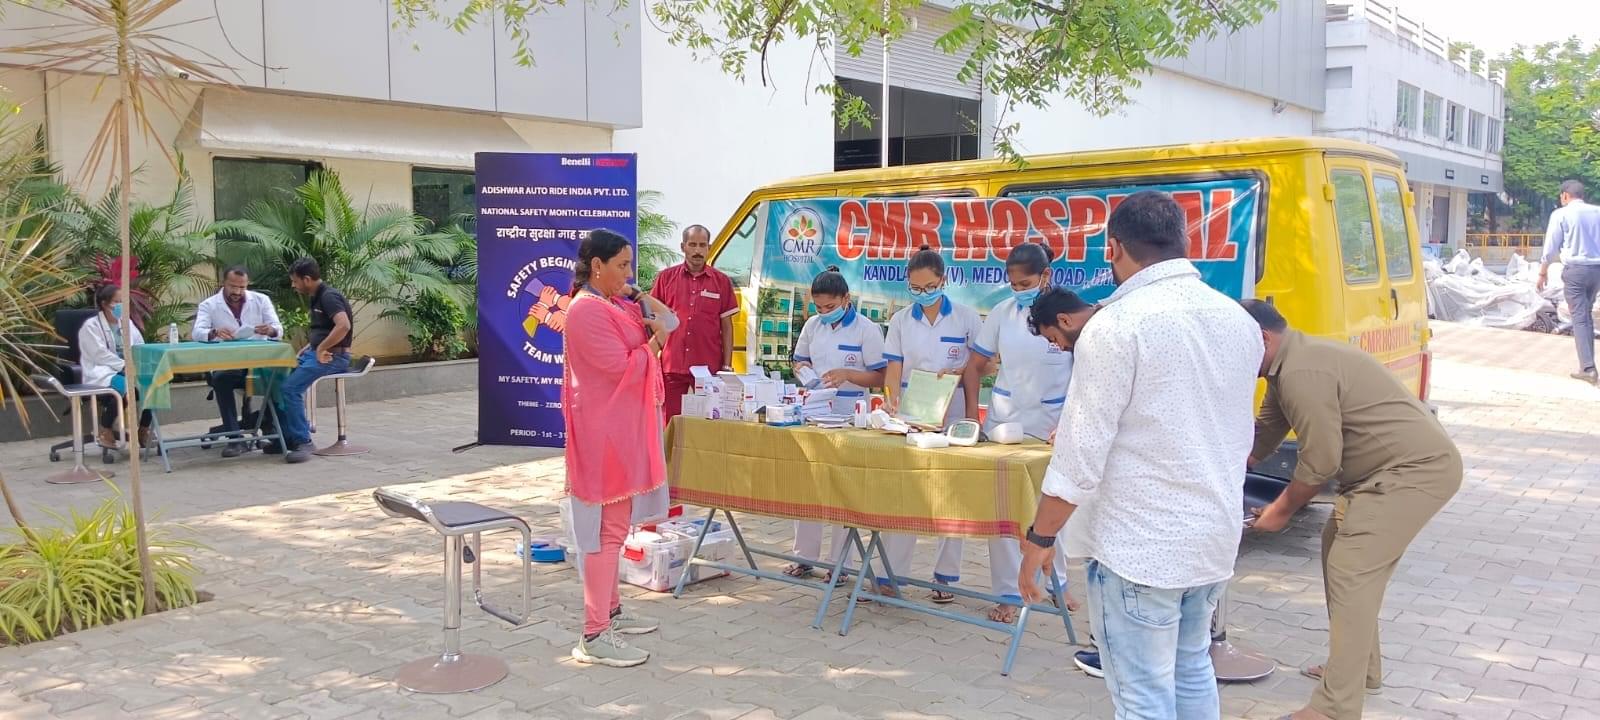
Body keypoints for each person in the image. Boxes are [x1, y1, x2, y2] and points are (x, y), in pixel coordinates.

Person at [1016, 191, 1262, 720]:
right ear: (1182, 243)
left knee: (1143, 696)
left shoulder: (1117, 326)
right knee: (1192, 668)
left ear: (1115, 247)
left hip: (1139, 547)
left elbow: (1080, 456)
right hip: (1211, 537)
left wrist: (1041, 538)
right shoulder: (1237, 320)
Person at [1243, 300, 1462, 720]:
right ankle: (1360, 672)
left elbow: (1321, 460)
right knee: (1340, 559)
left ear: (1262, 339)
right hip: (1389, 474)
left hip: (1411, 474)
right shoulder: (1290, 365)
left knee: (1350, 570)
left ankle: (1335, 707)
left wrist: (1281, 510)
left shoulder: (1303, 372)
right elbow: (1266, 431)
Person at [562, 228, 671, 668]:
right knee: (606, 534)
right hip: (603, 433)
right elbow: (618, 367)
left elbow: (673, 320)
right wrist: (655, 344)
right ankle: (594, 632)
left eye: (632, 265)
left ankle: (611, 613)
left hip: (618, 430)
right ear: (597, 266)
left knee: (616, 528)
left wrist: (641, 295)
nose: (629, 273)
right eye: (622, 265)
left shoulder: (614, 303)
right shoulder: (586, 311)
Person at [959, 243, 1075, 623]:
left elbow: (1088, 375)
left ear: (1046, 276)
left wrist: (1072, 421)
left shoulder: (1070, 313)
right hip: (1005, 423)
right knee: (1006, 512)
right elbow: (974, 366)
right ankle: (1009, 593)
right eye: (1012, 283)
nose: (1017, 289)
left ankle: (1056, 583)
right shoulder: (1002, 314)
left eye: (1025, 282)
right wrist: (972, 416)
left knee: (1054, 507)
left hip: (1052, 425)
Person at [879, 246, 983, 602]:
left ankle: (945, 577)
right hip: (912, 416)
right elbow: (893, 367)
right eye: (916, 288)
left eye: (929, 286)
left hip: (951, 416)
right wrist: (890, 401)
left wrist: (971, 417)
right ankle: (891, 575)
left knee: (950, 496)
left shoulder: (967, 319)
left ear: (944, 280)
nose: (923, 294)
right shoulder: (902, 321)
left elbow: (978, 371)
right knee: (903, 495)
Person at [783, 267, 887, 580]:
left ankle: (841, 564)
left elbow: (881, 376)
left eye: (831, 307)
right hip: (816, 411)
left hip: (850, 414)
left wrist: (848, 374)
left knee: (843, 487)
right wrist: (804, 373)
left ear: (846, 298)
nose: (825, 313)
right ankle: (804, 557)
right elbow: (799, 360)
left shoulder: (866, 330)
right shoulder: (813, 326)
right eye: (819, 307)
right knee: (809, 484)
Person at [192, 266, 283, 458]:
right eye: (233, 287)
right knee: (220, 379)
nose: (237, 292)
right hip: (229, 364)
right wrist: (214, 333)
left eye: (242, 287)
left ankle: (267, 422)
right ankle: (235, 438)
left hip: (259, 364)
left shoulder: (261, 300)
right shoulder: (209, 305)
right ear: (223, 283)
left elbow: (277, 329)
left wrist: (270, 330)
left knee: (279, 376)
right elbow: (197, 332)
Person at [652, 224, 738, 418]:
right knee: (670, 422)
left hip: (708, 368)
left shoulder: (721, 281)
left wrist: (727, 366)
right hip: (672, 365)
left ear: (709, 247)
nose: (697, 251)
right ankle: (669, 450)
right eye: (692, 245)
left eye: (702, 245)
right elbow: (653, 320)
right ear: (683, 247)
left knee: (708, 422)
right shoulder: (665, 279)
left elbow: (726, 325)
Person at [274, 258, 352, 464]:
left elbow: (343, 326)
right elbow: (324, 328)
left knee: (291, 389)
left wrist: (323, 348)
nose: (293, 285)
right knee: (277, 379)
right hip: (317, 352)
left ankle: (303, 441)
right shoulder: (316, 296)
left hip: (334, 357)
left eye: (295, 281)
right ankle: (285, 435)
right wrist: (311, 346)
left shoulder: (328, 296)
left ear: (306, 279)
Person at [1536, 180, 1600, 384]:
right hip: (1596, 270)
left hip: (1576, 271)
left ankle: (1588, 369)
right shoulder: (1597, 212)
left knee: (1580, 318)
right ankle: (1587, 365)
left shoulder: (1561, 214)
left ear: (1565, 196)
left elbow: (1550, 248)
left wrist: (1542, 272)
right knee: (1585, 316)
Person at [78, 284, 154, 449]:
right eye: (116, 302)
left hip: (129, 369)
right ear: (104, 304)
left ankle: (143, 428)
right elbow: (99, 354)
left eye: (123, 302)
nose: (121, 306)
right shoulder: (91, 327)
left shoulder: (126, 323)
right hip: (103, 372)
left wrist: (142, 363)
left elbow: (139, 345)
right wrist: (124, 366)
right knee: (129, 390)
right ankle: (105, 429)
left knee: (154, 385)